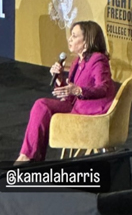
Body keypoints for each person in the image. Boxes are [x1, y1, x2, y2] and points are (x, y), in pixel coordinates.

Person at [16, 20, 116, 163]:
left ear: (86, 42)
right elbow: (68, 94)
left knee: (41, 105)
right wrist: (59, 78)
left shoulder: (98, 60)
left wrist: (78, 90)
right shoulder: (77, 61)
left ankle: (29, 158)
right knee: (42, 106)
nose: (70, 39)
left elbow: (102, 88)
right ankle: (31, 157)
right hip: (75, 105)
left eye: (74, 36)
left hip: (90, 111)